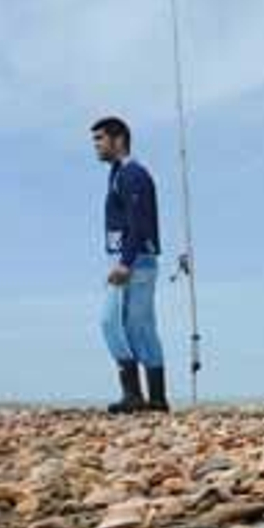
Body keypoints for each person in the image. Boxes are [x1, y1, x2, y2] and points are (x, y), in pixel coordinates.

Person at [91, 116, 168, 413]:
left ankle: (137, 395)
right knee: (139, 327)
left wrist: (124, 263)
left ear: (118, 139)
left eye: (100, 139)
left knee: (114, 322)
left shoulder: (132, 175)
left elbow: (140, 221)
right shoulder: (118, 174)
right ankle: (153, 398)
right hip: (134, 259)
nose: (96, 146)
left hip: (134, 261)